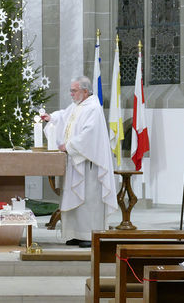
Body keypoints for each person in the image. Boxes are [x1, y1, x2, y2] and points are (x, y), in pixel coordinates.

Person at [41, 76, 118, 248]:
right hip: (74, 161)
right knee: (74, 197)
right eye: (71, 90)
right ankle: (75, 234)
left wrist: (68, 145)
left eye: (74, 91)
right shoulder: (77, 106)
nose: (71, 94)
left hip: (88, 163)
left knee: (88, 200)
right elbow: (63, 116)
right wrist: (50, 118)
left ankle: (89, 235)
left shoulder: (93, 108)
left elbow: (89, 135)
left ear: (85, 91)